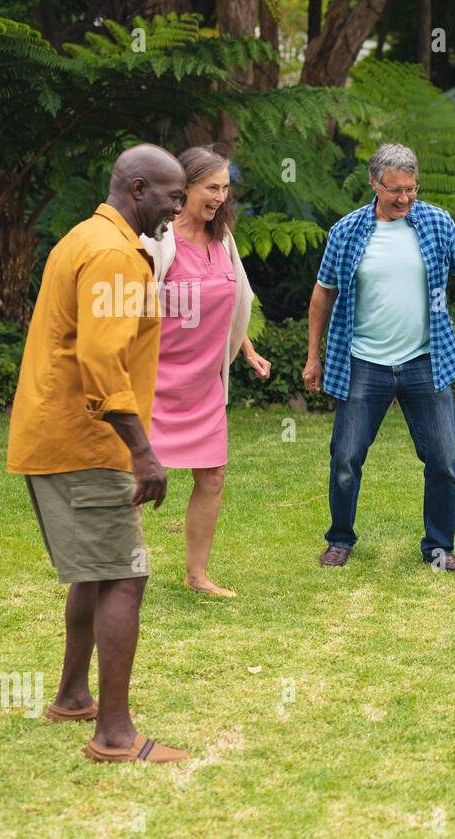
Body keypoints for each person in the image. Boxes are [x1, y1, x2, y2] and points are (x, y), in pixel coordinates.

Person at [7, 144, 190, 763]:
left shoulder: (84, 237)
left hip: (57, 434)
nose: (180, 208)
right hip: (88, 442)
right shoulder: (115, 254)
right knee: (124, 576)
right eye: (172, 197)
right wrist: (142, 451)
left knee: (97, 570)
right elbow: (99, 359)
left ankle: (72, 696)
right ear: (138, 188)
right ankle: (113, 734)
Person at [303, 143, 455, 572]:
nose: (406, 198)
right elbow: (323, 294)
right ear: (374, 184)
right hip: (363, 362)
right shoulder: (347, 231)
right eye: (396, 191)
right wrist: (313, 356)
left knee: (443, 461)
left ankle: (439, 549)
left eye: (412, 189)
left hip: (425, 361)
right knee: (346, 459)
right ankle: (340, 540)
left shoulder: (437, 222)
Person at [142, 144, 272, 598]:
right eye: (211, 188)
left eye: (225, 189)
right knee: (137, 479)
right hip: (157, 381)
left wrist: (246, 348)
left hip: (205, 382)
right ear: (185, 187)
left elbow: (229, 302)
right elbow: (133, 309)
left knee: (212, 476)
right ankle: (117, 571)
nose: (220, 197)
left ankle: (197, 575)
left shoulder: (224, 241)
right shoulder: (158, 241)